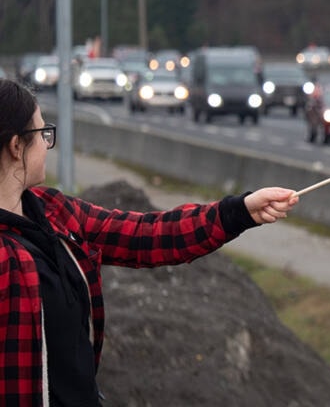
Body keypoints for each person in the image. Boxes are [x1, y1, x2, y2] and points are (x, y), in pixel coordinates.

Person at [0, 78, 299, 406]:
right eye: (42, 134)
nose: (47, 144)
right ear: (17, 147)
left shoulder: (51, 210)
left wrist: (239, 212)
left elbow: (146, 235)